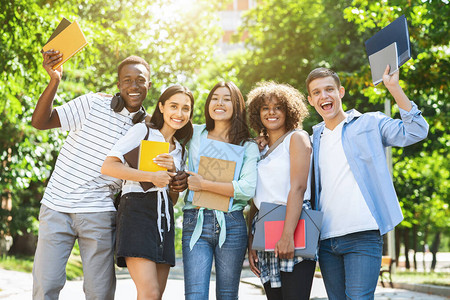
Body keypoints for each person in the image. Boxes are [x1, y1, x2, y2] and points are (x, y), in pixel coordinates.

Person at [31, 52, 152, 299]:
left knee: (100, 293)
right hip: (57, 207)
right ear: (118, 85)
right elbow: (40, 121)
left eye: (140, 80)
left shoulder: (147, 129)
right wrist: (54, 80)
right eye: (127, 80)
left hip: (99, 212)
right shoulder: (92, 103)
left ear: (149, 85)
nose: (134, 86)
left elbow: (149, 180)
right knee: (46, 285)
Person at [306, 66, 429, 299]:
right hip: (326, 241)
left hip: (363, 235)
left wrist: (394, 87)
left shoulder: (370, 123)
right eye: (317, 92)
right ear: (311, 100)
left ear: (340, 92)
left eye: (330, 89)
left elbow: (416, 131)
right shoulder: (312, 140)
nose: (325, 96)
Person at [101, 85, 194, 300]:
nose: (179, 114)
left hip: (164, 219)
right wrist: (150, 176)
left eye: (185, 109)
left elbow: (172, 198)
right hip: (136, 212)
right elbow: (108, 166)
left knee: (156, 295)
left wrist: (173, 176)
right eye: (173, 106)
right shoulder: (144, 131)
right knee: (150, 293)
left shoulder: (181, 149)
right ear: (161, 107)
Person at [182, 81, 259, 299]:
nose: (219, 103)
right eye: (215, 98)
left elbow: (246, 189)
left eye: (227, 99)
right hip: (194, 221)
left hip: (232, 224)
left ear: (237, 106)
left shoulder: (248, 145)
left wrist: (203, 185)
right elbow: (164, 123)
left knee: (227, 295)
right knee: (195, 295)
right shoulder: (194, 133)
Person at [246, 82, 316, 300]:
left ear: (289, 110)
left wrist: (288, 235)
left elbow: (299, 187)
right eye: (265, 108)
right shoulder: (258, 149)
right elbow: (254, 198)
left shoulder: (297, 138)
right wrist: (252, 242)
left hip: (294, 223)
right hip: (265, 226)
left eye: (278, 107)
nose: (271, 112)